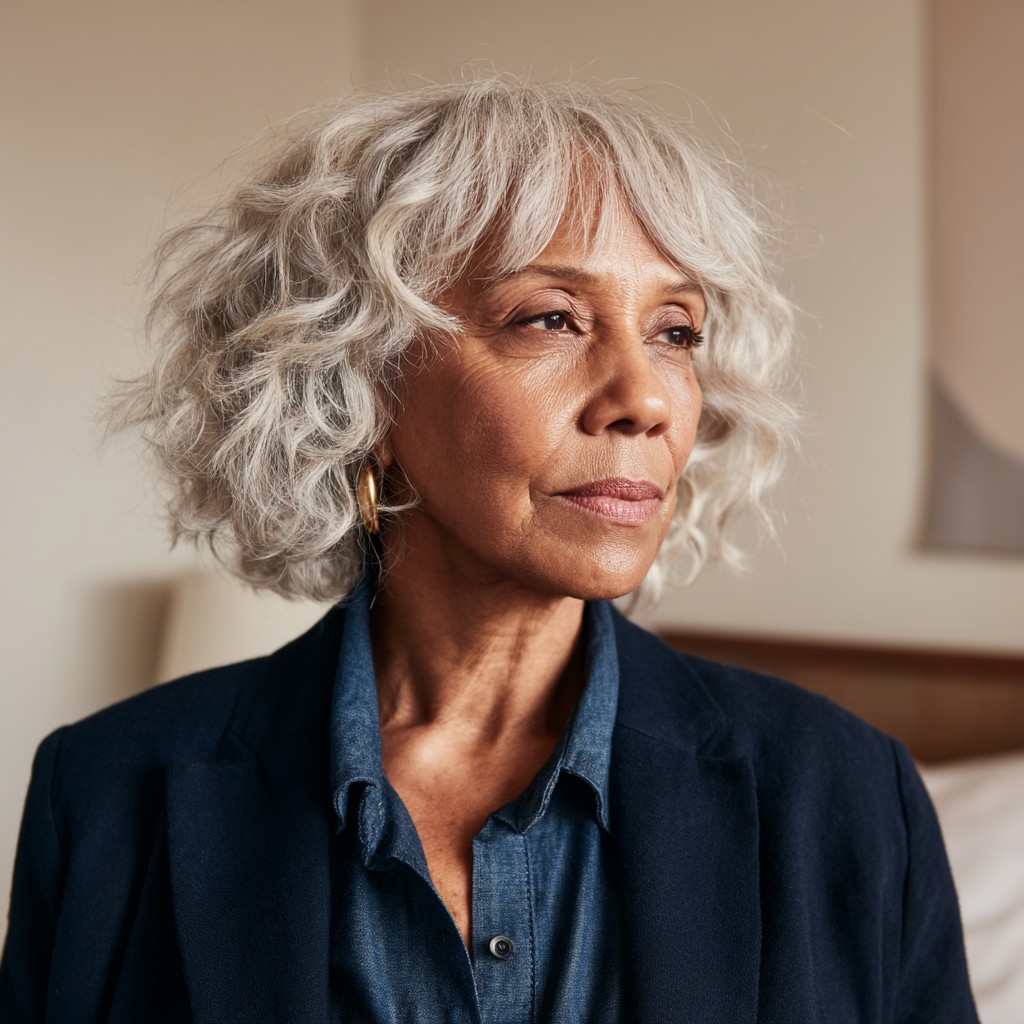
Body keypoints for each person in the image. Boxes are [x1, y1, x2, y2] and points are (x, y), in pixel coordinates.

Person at [0, 78, 977, 1023]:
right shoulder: (109, 790)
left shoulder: (843, 793)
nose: (643, 396)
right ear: (362, 381)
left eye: (674, 331)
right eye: (551, 317)